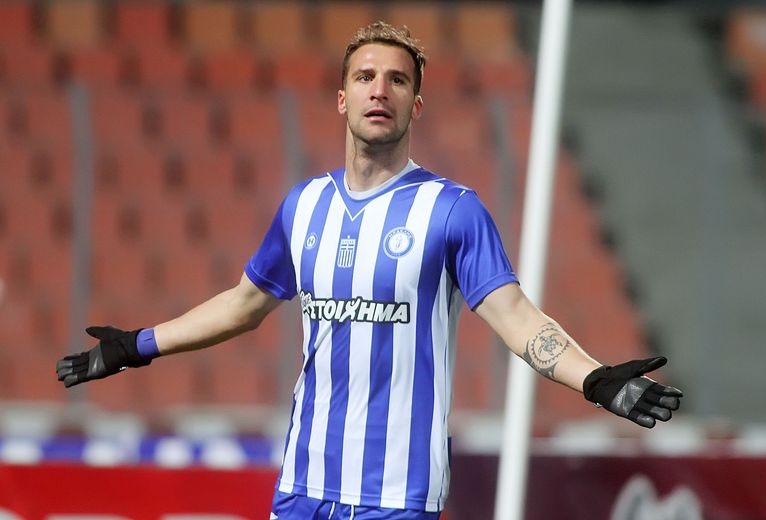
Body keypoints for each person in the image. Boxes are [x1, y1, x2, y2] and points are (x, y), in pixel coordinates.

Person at [56, 21, 682, 520]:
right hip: (303, 486)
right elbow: (244, 303)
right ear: (342, 98)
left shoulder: (452, 211)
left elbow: (516, 317)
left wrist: (594, 378)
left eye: (397, 80)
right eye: (364, 77)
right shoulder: (304, 206)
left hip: (398, 494)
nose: (379, 90)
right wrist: (136, 346)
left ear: (416, 104)